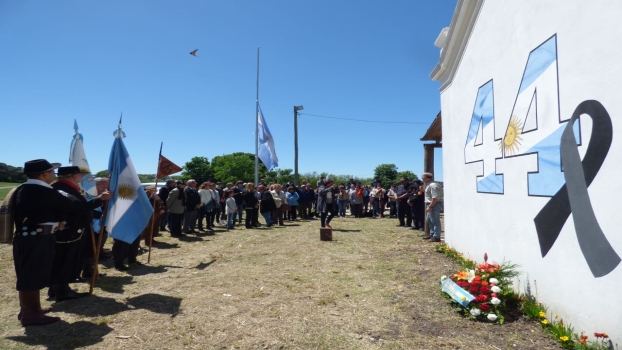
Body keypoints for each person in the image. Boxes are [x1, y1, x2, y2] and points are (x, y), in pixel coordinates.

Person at [11, 159, 84, 326]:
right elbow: (73, 204)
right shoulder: (40, 190)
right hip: (37, 238)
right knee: (32, 275)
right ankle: (30, 314)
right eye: (52, 172)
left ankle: (30, 310)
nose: (54, 175)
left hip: (31, 237)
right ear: (44, 174)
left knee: (31, 274)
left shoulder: (26, 188)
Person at [49, 166, 111, 302]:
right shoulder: (63, 188)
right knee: (64, 261)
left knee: (64, 260)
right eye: (80, 174)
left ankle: (58, 289)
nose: (82, 176)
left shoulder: (66, 188)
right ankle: (61, 290)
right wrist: (100, 198)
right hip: (68, 232)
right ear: (73, 175)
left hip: (70, 231)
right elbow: (79, 207)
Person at [422, 173, 444, 242]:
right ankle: (432, 234)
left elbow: (435, 198)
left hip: (434, 204)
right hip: (431, 204)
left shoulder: (433, 185)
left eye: (423, 178)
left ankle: (436, 236)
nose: (422, 179)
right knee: (429, 220)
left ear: (428, 178)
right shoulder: (429, 185)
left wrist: (430, 206)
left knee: (435, 221)